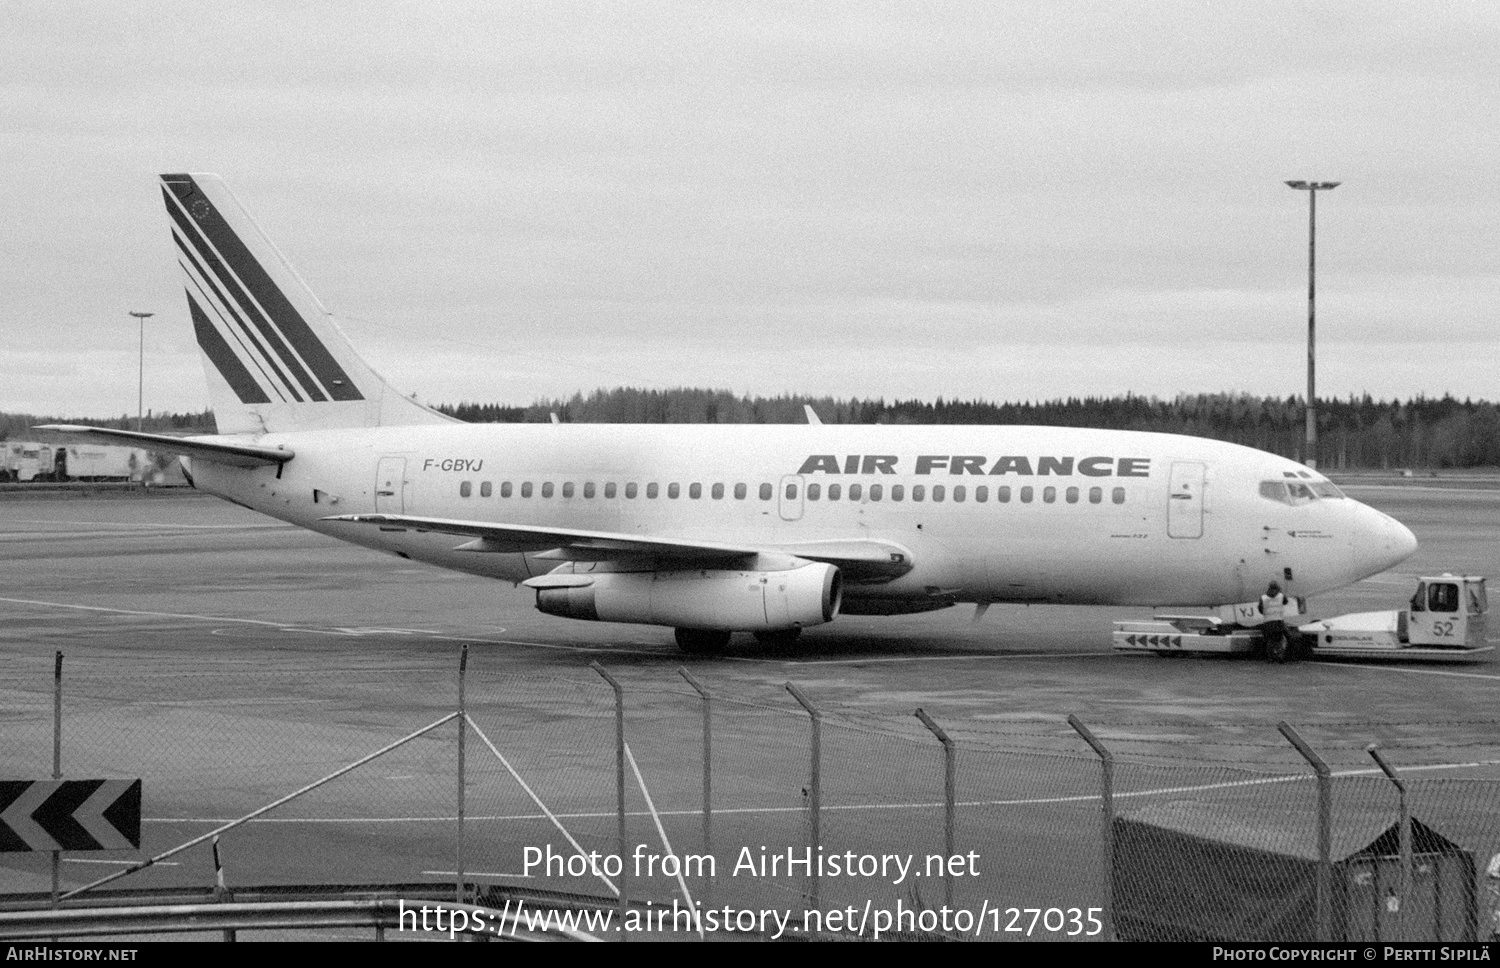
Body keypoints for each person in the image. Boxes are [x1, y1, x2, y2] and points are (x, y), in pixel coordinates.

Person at [1260, 581, 1292, 663]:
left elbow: (1260, 609)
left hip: (1267, 622)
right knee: (1283, 638)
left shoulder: (1263, 597)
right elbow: (1286, 602)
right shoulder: (1281, 596)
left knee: (1270, 640)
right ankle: (1281, 656)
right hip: (1278, 622)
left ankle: (1271, 658)